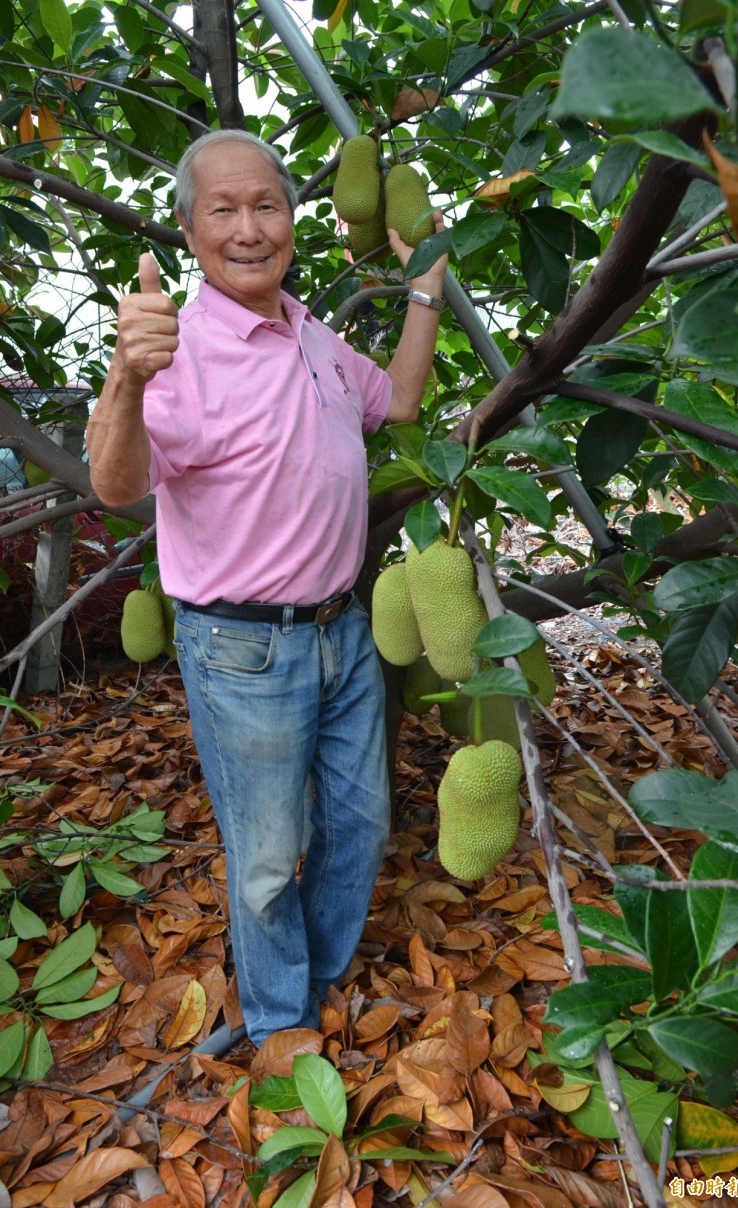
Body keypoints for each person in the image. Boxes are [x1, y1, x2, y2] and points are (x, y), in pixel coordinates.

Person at [87, 129, 448, 1047]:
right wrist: (127, 379)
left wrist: (425, 290)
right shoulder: (177, 351)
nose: (249, 229)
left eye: (268, 205)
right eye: (223, 209)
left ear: (293, 219)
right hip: (244, 650)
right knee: (265, 858)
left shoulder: (313, 336)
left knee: (360, 828)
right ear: (188, 230)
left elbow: (398, 403)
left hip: (344, 631)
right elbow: (117, 485)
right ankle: (282, 1026)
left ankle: (317, 975)